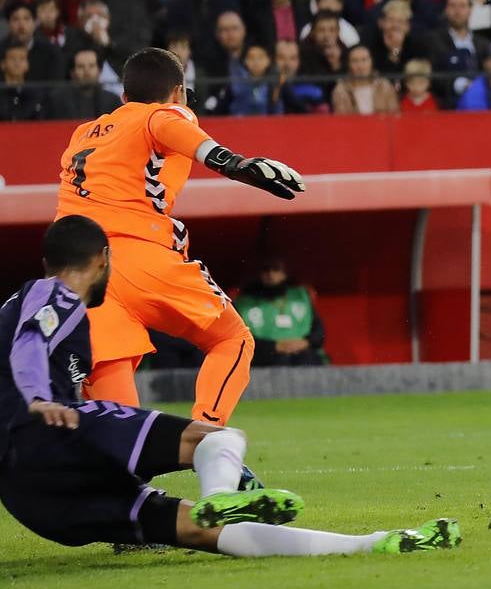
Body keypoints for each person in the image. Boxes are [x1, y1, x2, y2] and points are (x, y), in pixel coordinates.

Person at [0, 216, 460, 556]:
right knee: (219, 437)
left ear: (47, 258)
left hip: (31, 500)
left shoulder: (19, 308)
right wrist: (38, 396)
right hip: (46, 436)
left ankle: (374, 544)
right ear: (103, 260)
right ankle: (219, 496)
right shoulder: (51, 292)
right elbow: (30, 342)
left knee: (198, 532)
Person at [52, 48, 304, 471]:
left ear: (122, 95)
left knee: (118, 409)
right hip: (141, 255)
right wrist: (235, 163)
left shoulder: (84, 134)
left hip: (83, 276)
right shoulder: (166, 114)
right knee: (233, 340)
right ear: (177, 92)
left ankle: (131, 508)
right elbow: (169, 124)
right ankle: (207, 439)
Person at [234, 258, 326, 367]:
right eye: (266, 269)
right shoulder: (244, 303)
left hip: (302, 354)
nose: (270, 274)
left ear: (284, 273)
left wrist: (305, 343)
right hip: (266, 357)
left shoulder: (301, 297)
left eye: (276, 269)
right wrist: (275, 346)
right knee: (279, 361)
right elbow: (239, 339)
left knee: (307, 360)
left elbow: (318, 332)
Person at [427, 0, 489, 106]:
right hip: (447, 104)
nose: (457, 11)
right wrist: (459, 84)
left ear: (470, 10)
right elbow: (432, 75)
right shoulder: (433, 41)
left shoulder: (483, 43)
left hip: (481, 104)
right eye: (452, 6)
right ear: (446, 10)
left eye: (462, 6)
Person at [49, 48, 120, 121]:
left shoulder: (113, 102)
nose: (87, 72)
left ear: (99, 70)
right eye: (81, 67)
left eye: (91, 66)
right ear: (72, 72)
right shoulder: (57, 100)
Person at [5, 0, 65, 82]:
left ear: (34, 23)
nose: (21, 24)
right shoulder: (1, 51)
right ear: (9, 24)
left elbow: (56, 87)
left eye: (26, 19)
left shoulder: (51, 52)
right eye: (15, 19)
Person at [331, 43, 397, 115]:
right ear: (348, 64)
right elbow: (341, 120)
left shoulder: (385, 86)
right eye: (355, 61)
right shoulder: (341, 90)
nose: (360, 66)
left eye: (364, 60)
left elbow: (393, 115)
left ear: (371, 61)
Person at [272, 39, 327, 114]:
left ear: (299, 61)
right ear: (273, 60)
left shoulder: (309, 84)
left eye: (293, 58)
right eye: (281, 58)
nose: (287, 64)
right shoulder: (265, 85)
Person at [0, 44, 42, 121]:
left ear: (27, 64)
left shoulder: (34, 95)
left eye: (22, 59)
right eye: (12, 58)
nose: (17, 63)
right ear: (3, 64)